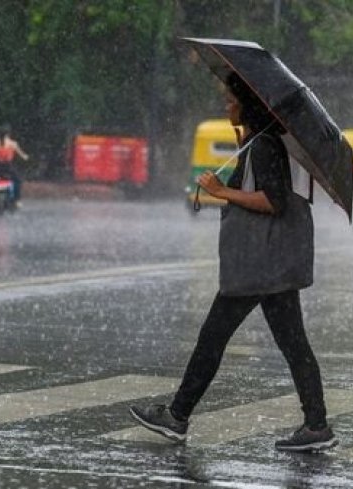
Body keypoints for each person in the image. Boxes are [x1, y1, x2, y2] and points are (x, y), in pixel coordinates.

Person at [129, 74, 337, 452]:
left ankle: (177, 416)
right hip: (268, 263)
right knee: (291, 344)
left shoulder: (264, 146)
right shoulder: (258, 143)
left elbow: (273, 201)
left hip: (260, 263)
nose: (226, 108)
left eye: (230, 102)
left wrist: (221, 191)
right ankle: (317, 425)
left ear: (248, 106)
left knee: (214, 338)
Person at [0, 124, 29, 204]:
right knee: (18, 181)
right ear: (9, 133)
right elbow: (22, 155)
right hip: (7, 167)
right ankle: (17, 200)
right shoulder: (13, 144)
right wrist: (26, 157)